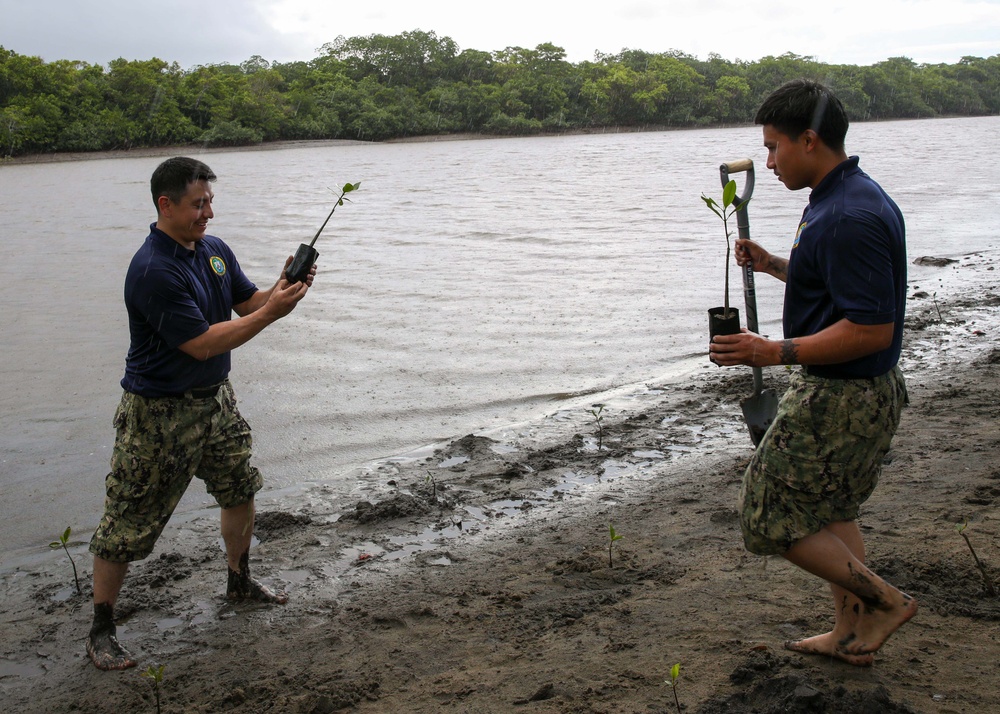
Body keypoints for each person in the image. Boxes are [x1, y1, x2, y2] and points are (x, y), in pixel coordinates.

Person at [709, 79, 916, 666]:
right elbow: (835, 286)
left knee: (766, 514)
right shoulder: (841, 197)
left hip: (842, 396)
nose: (769, 162)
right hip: (858, 389)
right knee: (831, 510)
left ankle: (883, 602)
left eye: (774, 148)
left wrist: (773, 352)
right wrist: (777, 264)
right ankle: (851, 633)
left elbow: (871, 329)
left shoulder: (849, 215)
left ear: (809, 139)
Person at [87, 156, 314, 670]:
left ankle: (239, 580)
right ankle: (102, 627)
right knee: (126, 523)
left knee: (240, 488)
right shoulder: (152, 270)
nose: (208, 212)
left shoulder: (213, 251)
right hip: (157, 415)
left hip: (216, 401)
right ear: (165, 205)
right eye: (198, 204)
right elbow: (203, 344)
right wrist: (272, 315)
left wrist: (281, 291)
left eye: (210, 201)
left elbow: (246, 303)